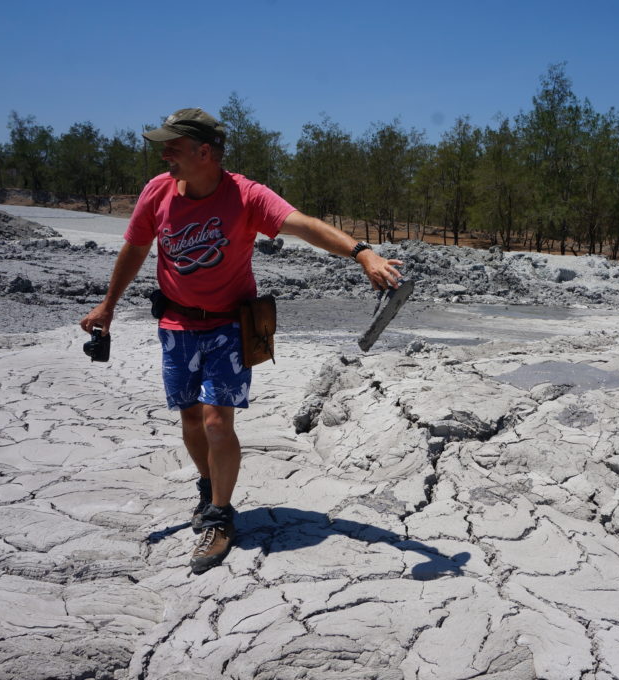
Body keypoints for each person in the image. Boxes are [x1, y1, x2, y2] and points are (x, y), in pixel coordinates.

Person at [80, 108, 402, 574]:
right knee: (190, 417)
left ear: (204, 151)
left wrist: (361, 252)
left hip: (231, 327)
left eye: (173, 145)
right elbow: (135, 247)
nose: (164, 153)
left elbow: (303, 223)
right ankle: (208, 487)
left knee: (215, 422)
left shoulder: (246, 195)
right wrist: (107, 306)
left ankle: (220, 516)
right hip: (175, 324)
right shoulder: (158, 190)